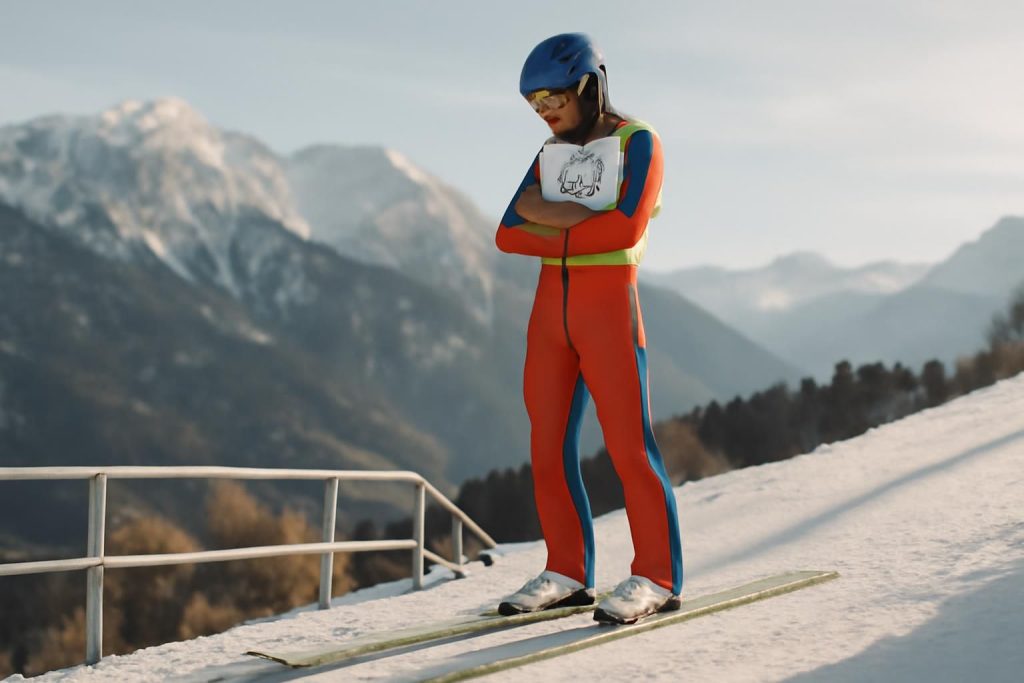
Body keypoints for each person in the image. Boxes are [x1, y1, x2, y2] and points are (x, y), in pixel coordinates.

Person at [494, 33, 684, 624]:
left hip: (609, 309)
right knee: (546, 448)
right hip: (550, 312)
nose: (544, 112)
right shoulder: (553, 149)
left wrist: (551, 216)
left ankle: (656, 575)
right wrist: (584, 215)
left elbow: (624, 231)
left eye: (552, 98)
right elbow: (507, 232)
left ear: (589, 84)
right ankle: (567, 570)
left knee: (630, 448)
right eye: (533, 104)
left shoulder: (638, 142)